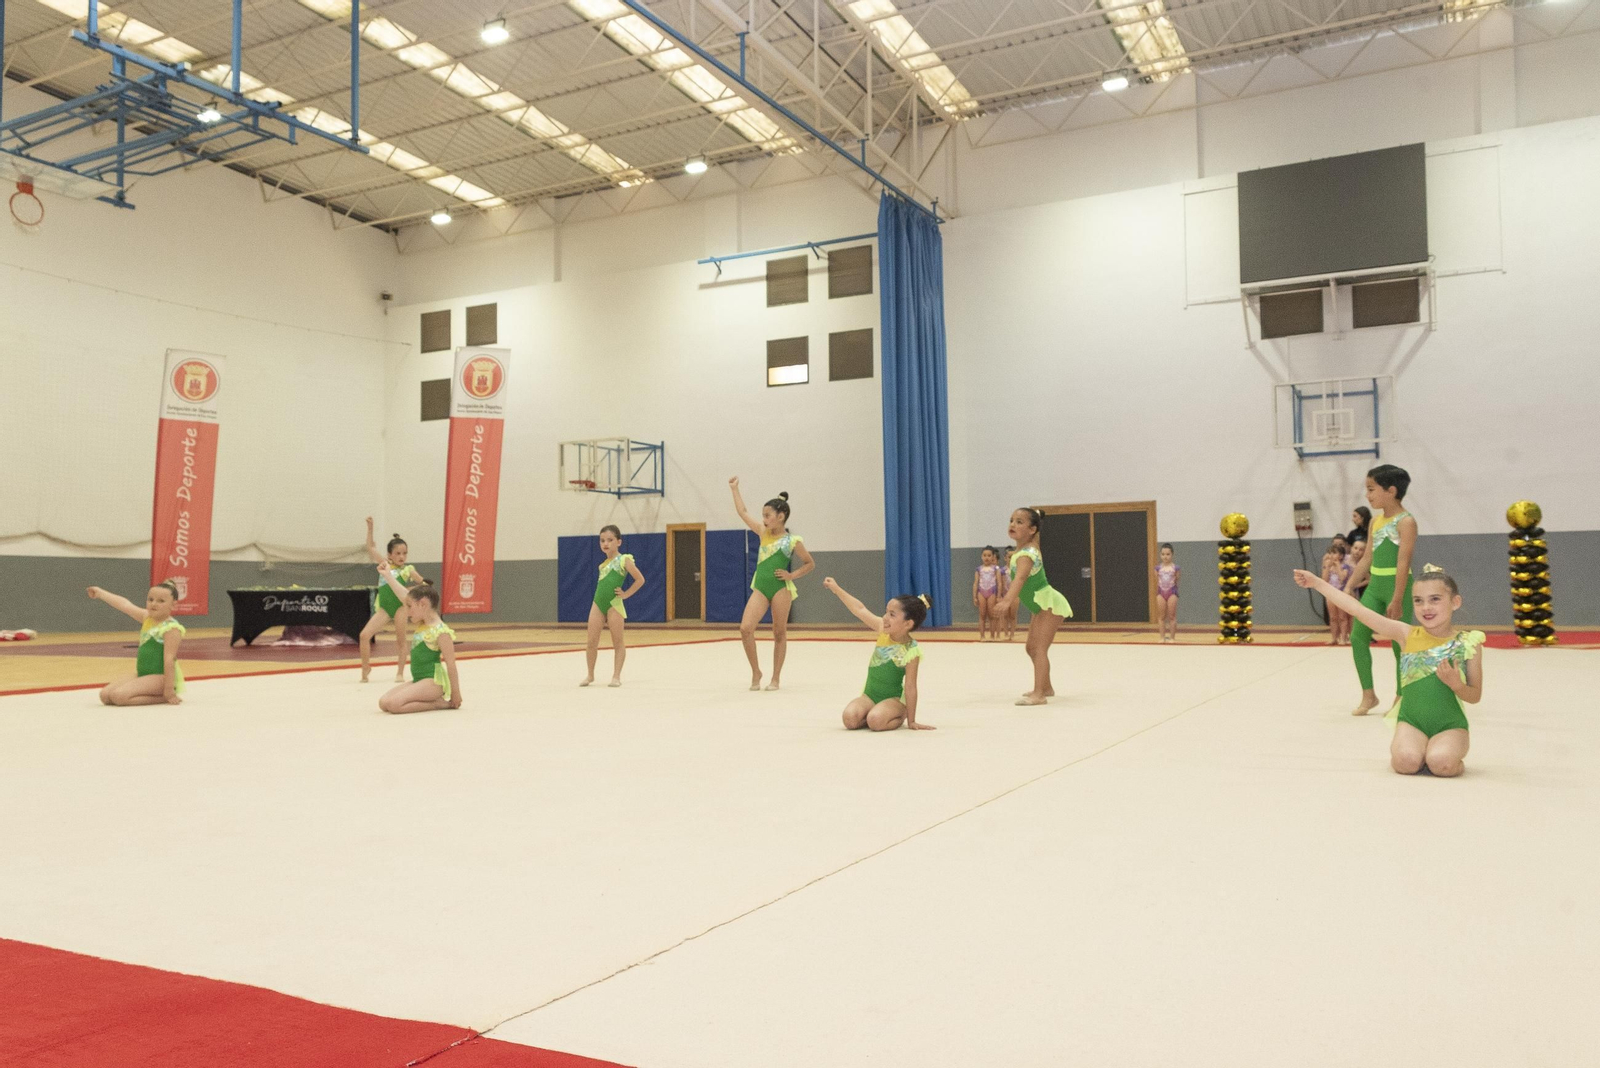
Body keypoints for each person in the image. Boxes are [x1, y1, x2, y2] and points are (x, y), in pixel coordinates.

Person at [1294, 564, 1483, 777]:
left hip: (1450, 724)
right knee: (1405, 763)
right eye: (1418, 601)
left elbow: (1475, 696)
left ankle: (1444, 754)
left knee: (1442, 764)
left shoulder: (1468, 643)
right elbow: (1358, 610)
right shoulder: (1405, 634)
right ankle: (1420, 750)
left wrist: (1456, 684)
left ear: (1455, 602)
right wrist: (1317, 583)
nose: (1426, 607)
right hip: (1412, 722)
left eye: (1435, 599)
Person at [1343, 465, 1417, 716]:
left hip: (1398, 588)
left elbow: (1403, 561)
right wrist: (1349, 586)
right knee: (1357, 638)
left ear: (1391, 491)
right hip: (1374, 588)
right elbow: (1366, 559)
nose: (1367, 495)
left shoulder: (1406, 522)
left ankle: (1402, 696)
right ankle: (1369, 694)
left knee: (1399, 644)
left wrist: (1397, 598)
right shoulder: (1375, 521)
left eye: (1371, 489)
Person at [729, 478, 815, 691]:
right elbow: (742, 512)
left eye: (767, 515)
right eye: (763, 515)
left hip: (780, 589)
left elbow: (810, 563)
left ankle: (775, 677)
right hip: (760, 586)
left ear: (780, 516)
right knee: (745, 628)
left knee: (779, 633)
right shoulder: (762, 532)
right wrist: (735, 489)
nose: (764, 519)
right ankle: (756, 671)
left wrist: (791, 575)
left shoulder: (793, 540)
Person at [824, 578, 933, 731]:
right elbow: (860, 609)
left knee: (875, 721)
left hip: (893, 699)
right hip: (869, 696)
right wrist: (837, 589)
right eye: (886, 612)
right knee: (849, 719)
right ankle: (874, 713)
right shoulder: (883, 630)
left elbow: (910, 686)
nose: (885, 617)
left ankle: (899, 715)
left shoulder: (911, 650)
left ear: (908, 623)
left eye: (892, 614)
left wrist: (912, 720)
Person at [992, 507, 1073, 705]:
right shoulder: (1024, 549)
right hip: (1041, 605)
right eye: (1011, 520)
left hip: (1048, 604)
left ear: (1032, 530)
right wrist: (1036, 513)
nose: (1013, 524)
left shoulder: (1027, 555)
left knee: (1039, 649)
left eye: (1020, 522)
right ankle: (1046, 686)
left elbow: (1019, 579)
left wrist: (1007, 601)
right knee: (1031, 648)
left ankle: (1039, 694)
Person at [374, 564, 461, 715]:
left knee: (394, 705)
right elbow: (403, 595)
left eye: (409, 607)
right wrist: (388, 575)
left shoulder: (441, 631)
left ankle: (437, 704)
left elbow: (451, 664)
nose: (407, 612)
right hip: (419, 680)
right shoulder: (423, 622)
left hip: (433, 683)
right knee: (384, 703)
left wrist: (455, 693)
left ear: (423, 605)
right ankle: (431, 700)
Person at [86, 581, 185, 706]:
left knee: (119, 697)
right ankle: (151, 692)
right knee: (105, 696)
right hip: (142, 674)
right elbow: (125, 605)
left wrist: (169, 689)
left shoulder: (171, 628)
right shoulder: (147, 618)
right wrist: (101, 593)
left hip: (161, 677)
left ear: (173, 605)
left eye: (161, 601)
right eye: (150, 599)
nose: (154, 603)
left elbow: (170, 660)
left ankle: (162, 698)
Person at [360, 518, 429, 684]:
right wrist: (370, 528)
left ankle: (400, 672)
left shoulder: (408, 570)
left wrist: (412, 591)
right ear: (389, 555)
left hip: (400, 608)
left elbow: (425, 585)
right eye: (397, 553)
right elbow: (370, 548)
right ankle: (365, 668)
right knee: (364, 635)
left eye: (404, 553)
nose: (402, 556)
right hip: (384, 608)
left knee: (400, 640)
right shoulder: (384, 565)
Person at [582, 524, 646, 688]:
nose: (606, 543)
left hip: (614, 604)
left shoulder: (624, 560)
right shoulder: (602, 565)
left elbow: (640, 579)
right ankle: (590, 675)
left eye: (610, 540)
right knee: (591, 642)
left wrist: (626, 594)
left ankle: (616, 676)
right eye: (602, 540)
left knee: (617, 641)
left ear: (619, 542)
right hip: (598, 603)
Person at [1322, 542, 1353, 645]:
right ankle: (1334, 638)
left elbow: (1342, 578)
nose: (1331, 555)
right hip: (1331, 594)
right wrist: (1327, 567)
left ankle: (1344, 638)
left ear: (1341, 556)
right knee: (1333, 617)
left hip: (1341, 593)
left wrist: (1338, 565)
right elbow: (1324, 580)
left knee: (1342, 617)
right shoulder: (1328, 567)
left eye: (1334, 553)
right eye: (1330, 553)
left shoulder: (1345, 567)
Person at [973, 547, 1005, 641]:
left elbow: (999, 583)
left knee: (992, 615)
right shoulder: (979, 569)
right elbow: (976, 583)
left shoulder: (996, 569)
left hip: (991, 592)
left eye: (989, 555)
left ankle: (992, 636)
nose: (986, 557)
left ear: (993, 557)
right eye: (984, 555)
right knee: (982, 615)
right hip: (981, 592)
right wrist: (974, 596)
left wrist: (999, 596)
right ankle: (982, 636)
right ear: (981, 556)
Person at [1154, 542, 1180, 642]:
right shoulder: (1157, 568)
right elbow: (1157, 581)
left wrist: (1174, 592)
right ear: (1160, 555)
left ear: (1172, 555)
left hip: (1172, 592)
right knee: (1161, 616)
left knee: (1172, 616)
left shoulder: (1175, 568)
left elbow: (1177, 580)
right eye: (1163, 554)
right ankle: (1162, 637)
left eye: (1168, 554)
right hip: (1161, 593)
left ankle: (1172, 637)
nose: (1165, 557)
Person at [1000, 546, 1018, 641]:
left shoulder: (1018, 570)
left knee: (1013, 615)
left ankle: (1012, 634)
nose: (1011, 559)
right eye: (1009, 557)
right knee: (1005, 615)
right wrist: (1001, 596)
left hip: (1015, 595)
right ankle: (1006, 633)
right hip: (1005, 594)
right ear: (1005, 558)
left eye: (1013, 557)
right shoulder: (1002, 570)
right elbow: (1001, 584)